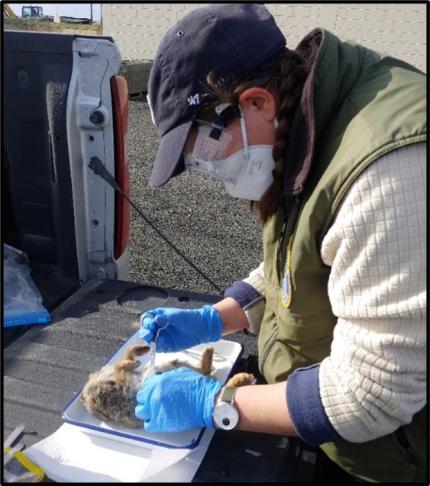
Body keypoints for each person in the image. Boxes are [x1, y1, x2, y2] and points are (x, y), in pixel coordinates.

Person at [135, 4, 426, 483]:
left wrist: (217, 403)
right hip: (330, 430)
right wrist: (216, 318)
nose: (207, 171)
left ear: (256, 104)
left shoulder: (387, 172)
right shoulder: (307, 129)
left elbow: (373, 394)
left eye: (203, 151)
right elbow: (301, 261)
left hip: (398, 456)